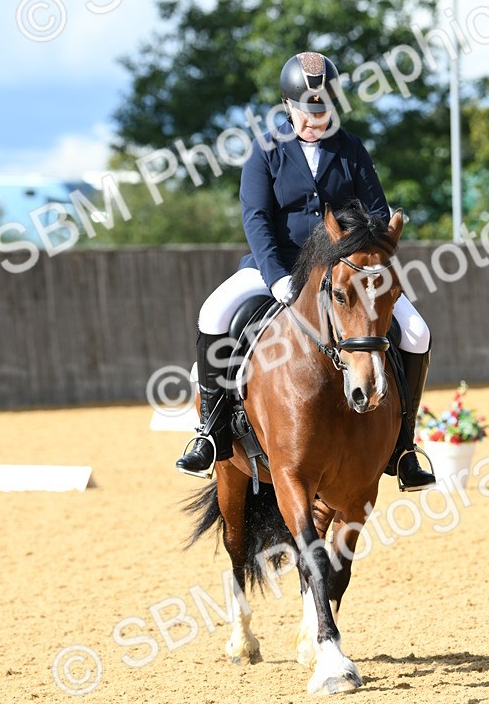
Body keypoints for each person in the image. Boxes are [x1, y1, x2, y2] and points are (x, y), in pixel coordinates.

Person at [176, 50, 436, 490]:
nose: (315, 120)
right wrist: (276, 275)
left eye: (323, 111)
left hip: (344, 272)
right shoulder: (266, 151)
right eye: (307, 111)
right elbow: (256, 218)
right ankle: (212, 432)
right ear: (288, 107)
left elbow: (375, 214)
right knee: (213, 314)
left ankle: (404, 447)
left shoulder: (351, 150)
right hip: (276, 265)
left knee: (416, 333)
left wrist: (369, 261)